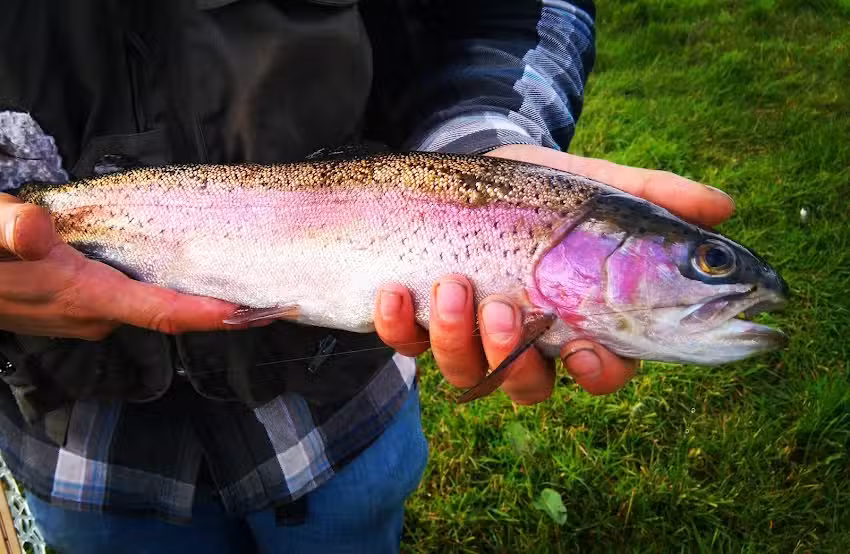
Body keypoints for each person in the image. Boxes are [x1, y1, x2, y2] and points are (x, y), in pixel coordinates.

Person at [0, 0, 734, 552]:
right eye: (709, 264)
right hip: (72, 444)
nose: (715, 281)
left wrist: (482, 149)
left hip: (337, 422)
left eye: (708, 264)